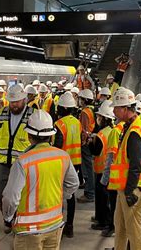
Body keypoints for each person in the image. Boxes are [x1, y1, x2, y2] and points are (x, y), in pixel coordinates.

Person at [2, 110, 79, 250]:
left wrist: (8, 217)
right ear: (51, 135)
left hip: (28, 230)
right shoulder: (63, 156)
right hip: (55, 224)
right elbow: (73, 184)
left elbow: (10, 197)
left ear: (29, 135)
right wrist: (61, 197)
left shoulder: (22, 162)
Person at [108, 87, 141, 250]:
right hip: (129, 187)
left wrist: (130, 192)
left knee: (134, 231)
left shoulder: (134, 132)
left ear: (125, 109)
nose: (113, 111)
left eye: (116, 108)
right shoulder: (131, 126)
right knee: (120, 225)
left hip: (134, 188)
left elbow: (136, 165)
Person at [0, 84, 33, 233]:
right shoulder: (1, 114)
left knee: (21, 194)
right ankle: (8, 216)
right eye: (12, 102)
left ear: (24, 99)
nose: (14, 105)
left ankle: (18, 219)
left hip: (24, 164)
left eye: (17, 101)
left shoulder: (33, 115)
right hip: (3, 163)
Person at [53, 92, 82, 238]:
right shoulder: (77, 122)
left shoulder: (59, 124)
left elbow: (57, 145)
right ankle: (70, 226)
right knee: (70, 195)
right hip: (75, 163)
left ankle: (57, 225)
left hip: (62, 163)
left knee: (58, 194)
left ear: (63, 108)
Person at [88, 100, 114, 233]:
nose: (97, 119)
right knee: (104, 198)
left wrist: (89, 142)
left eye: (99, 117)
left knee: (102, 198)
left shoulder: (101, 134)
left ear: (104, 118)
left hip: (100, 170)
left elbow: (95, 151)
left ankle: (103, 221)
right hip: (108, 170)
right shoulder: (112, 131)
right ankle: (100, 218)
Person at [100, 116, 125, 238]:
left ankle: (112, 227)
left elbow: (111, 157)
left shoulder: (115, 131)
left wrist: (105, 178)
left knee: (113, 204)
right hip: (122, 175)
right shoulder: (126, 128)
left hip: (114, 176)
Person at [77, 89, 96, 204]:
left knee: (87, 168)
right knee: (89, 167)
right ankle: (90, 191)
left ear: (84, 100)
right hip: (90, 141)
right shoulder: (91, 110)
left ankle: (89, 193)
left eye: (80, 99)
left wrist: (82, 142)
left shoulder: (84, 112)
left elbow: (84, 130)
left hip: (86, 143)